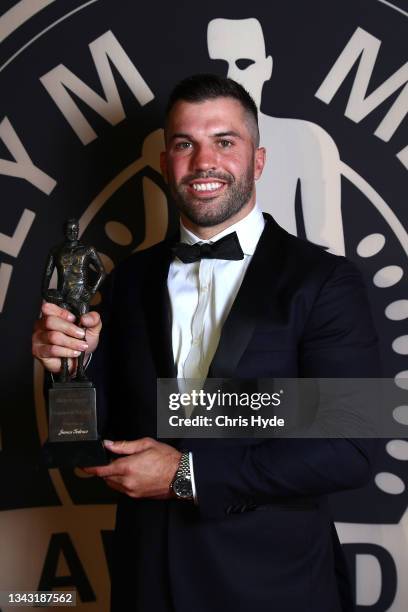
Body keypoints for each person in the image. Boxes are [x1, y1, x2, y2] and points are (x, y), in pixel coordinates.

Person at [32, 74, 379, 612]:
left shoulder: (325, 282)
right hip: (145, 583)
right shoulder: (125, 282)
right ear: (166, 161)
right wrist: (67, 365)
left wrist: (184, 475)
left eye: (224, 141)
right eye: (184, 144)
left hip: (273, 589)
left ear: (257, 161)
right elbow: (93, 443)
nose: (203, 162)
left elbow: (353, 448)